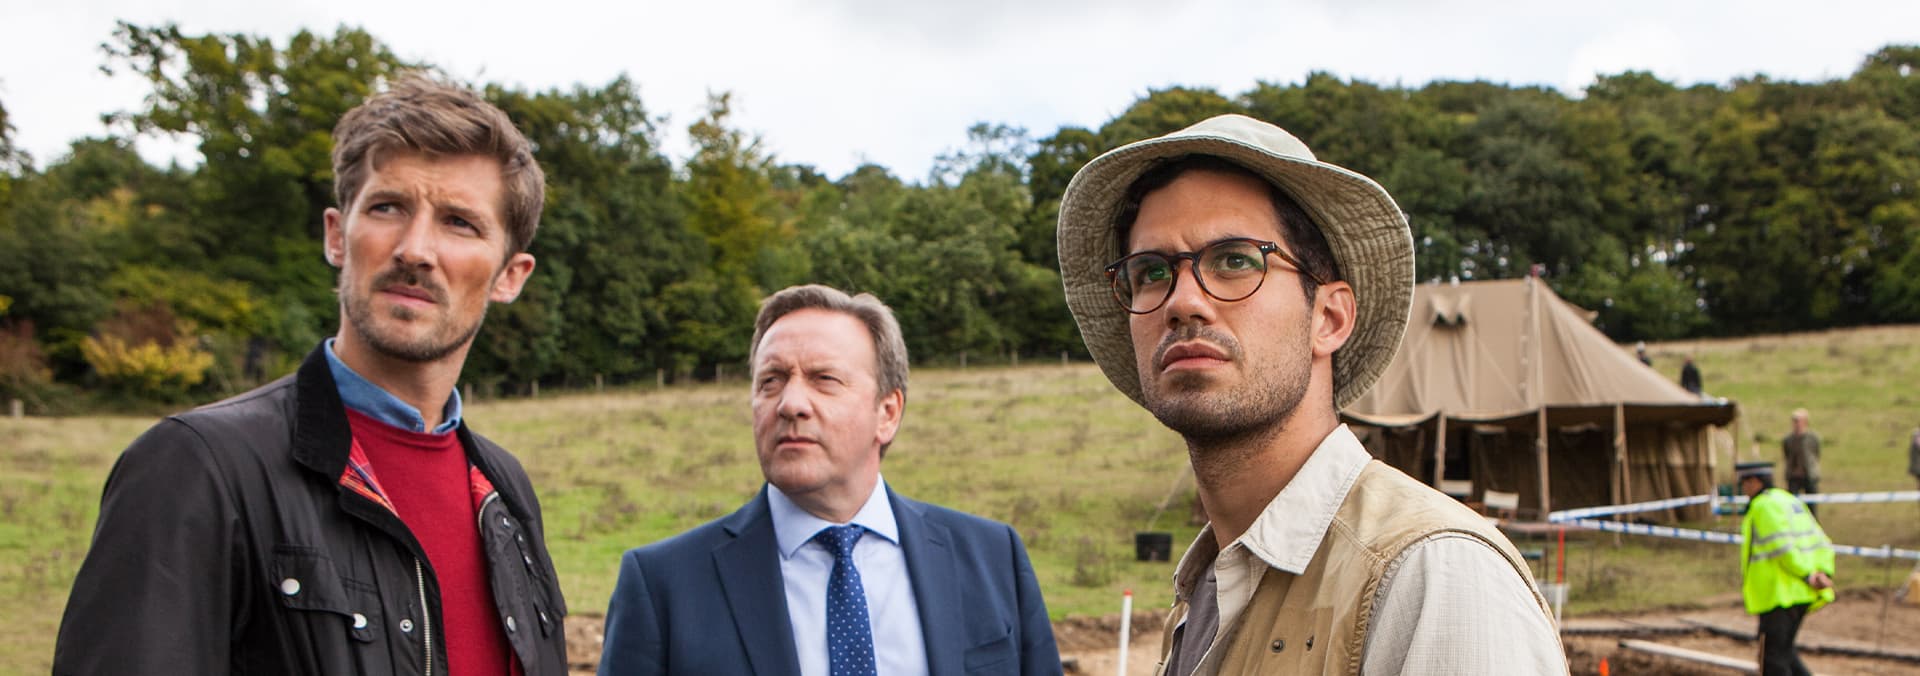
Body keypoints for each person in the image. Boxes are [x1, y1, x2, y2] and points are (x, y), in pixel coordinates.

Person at [54, 77, 568, 675]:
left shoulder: (504, 490)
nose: (414, 249)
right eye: (387, 207)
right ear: (336, 236)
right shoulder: (199, 468)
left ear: (510, 275)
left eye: (459, 222)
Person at [1055, 114, 1564, 674]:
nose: (1182, 301)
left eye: (1235, 260)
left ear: (1329, 318)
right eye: (1151, 272)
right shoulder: (1206, 591)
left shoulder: (1434, 577)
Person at [598, 284, 1062, 676]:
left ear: (888, 412)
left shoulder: (993, 558)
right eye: (771, 381)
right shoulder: (663, 586)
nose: (790, 404)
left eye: (823, 379)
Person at [1736, 461, 1835, 676]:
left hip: (1778, 593)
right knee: (1784, 653)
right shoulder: (1789, 500)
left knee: (1771, 659)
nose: (1743, 489)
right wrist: (1823, 572)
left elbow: (1781, 548)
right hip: (1800, 592)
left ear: (1755, 482)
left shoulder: (1763, 506)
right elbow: (1821, 541)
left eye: (1745, 483)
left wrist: (1807, 575)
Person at [1782, 408, 1822, 515]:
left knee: (1812, 507)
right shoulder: (1788, 440)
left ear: (1805, 422)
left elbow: (1816, 453)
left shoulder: (1813, 438)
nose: (1796, 424)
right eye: (1794, 421)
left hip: (1810, 476)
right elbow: (1786, 454)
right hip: (1793, 477)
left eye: (1798, 421)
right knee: (1792, 506)